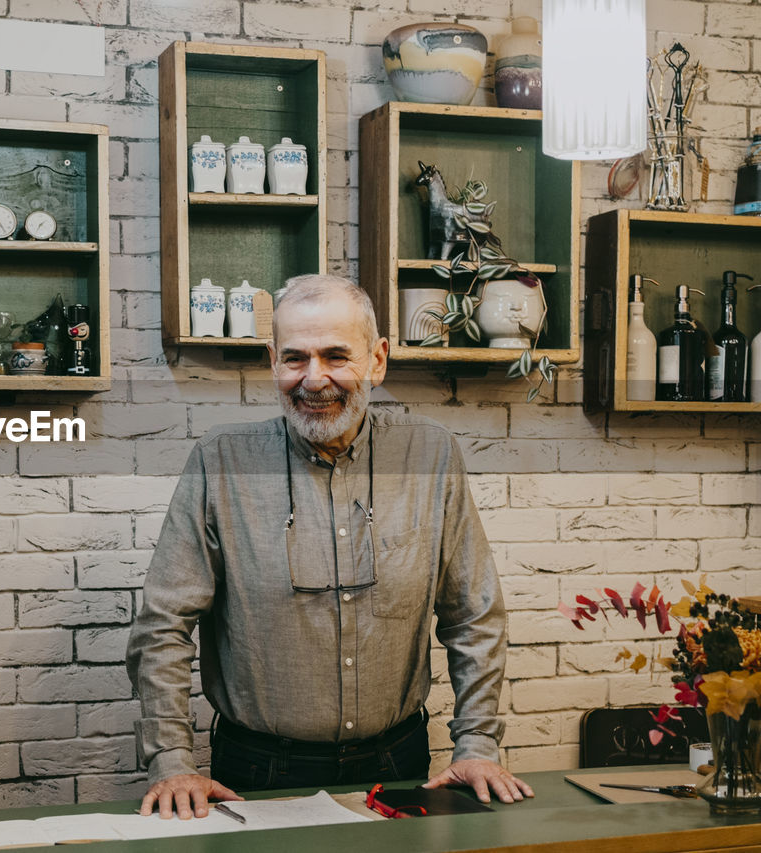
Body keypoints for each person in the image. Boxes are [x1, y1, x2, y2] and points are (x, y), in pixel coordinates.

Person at [126, 274, 532, 820]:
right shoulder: (220, 463)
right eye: (295, 358)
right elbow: (163, 626)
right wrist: (172, 759)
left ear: (378, 359)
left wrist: (478, 745)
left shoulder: (431, 455)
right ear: (273, 361)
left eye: (337, 356)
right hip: (260, 771)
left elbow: (474, 616)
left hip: (400, 765)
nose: (314, 379)